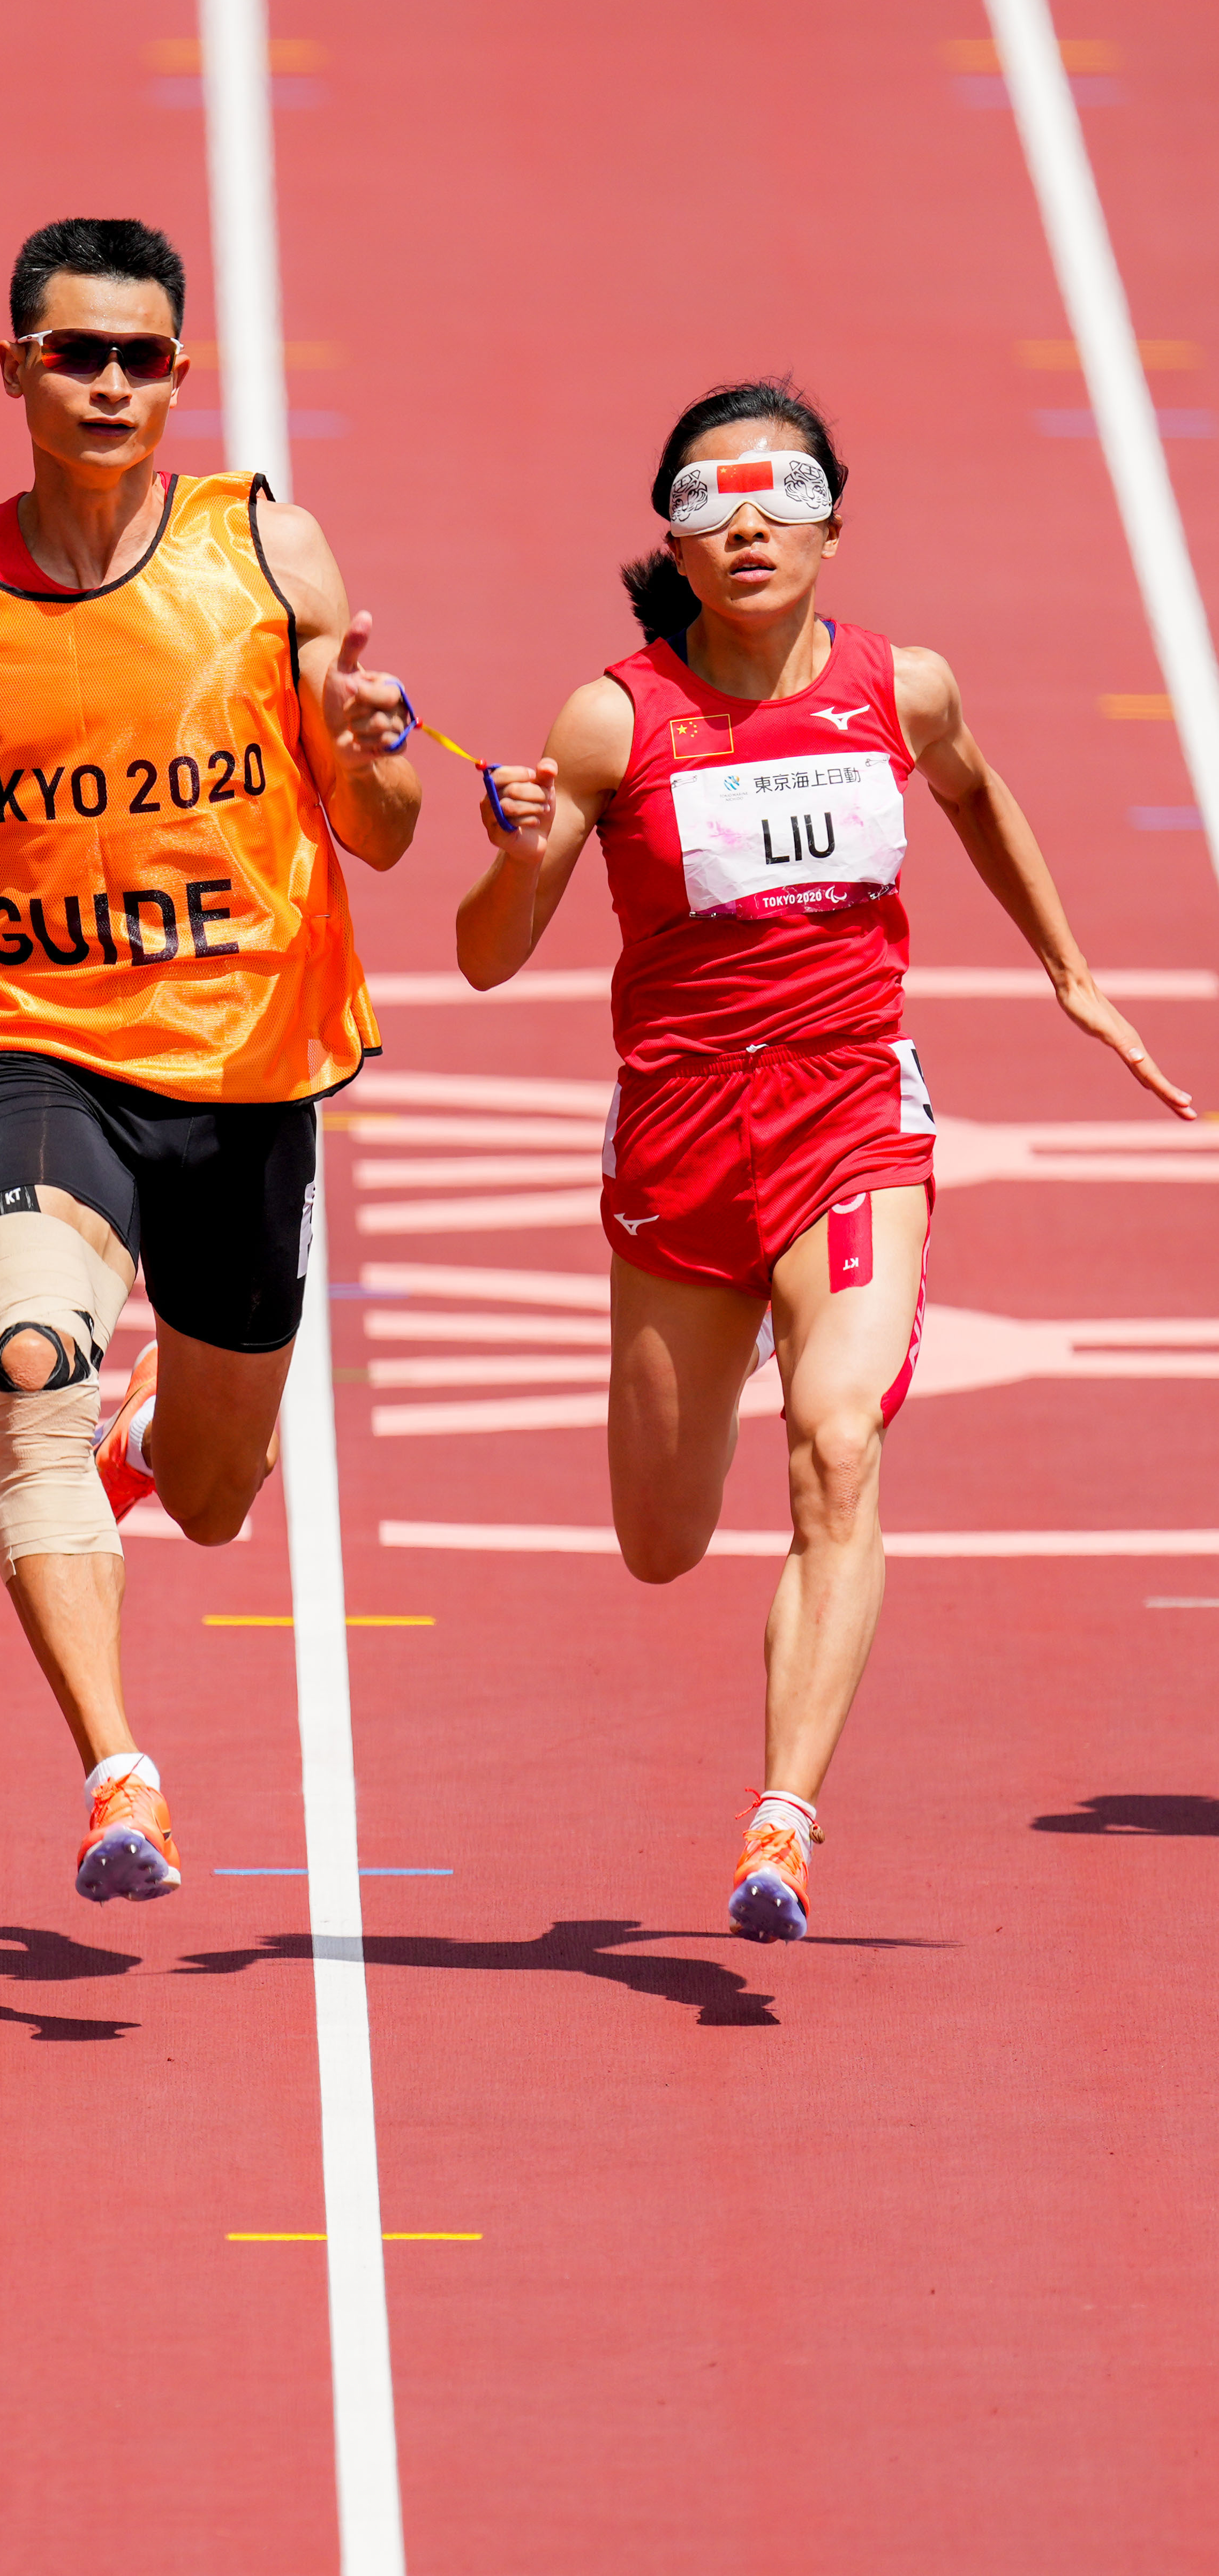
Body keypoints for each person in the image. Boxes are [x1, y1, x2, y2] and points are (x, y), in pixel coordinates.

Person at [455, 380, 1195, 1941]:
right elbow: (483, 961)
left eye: (779, 492)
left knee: (839, 1440)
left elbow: (981, 789)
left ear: (831, 525)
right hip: (680, 1140)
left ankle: (781, 1823)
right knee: (661, 1545)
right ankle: (716, 1362)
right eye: (707, 499)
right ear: (674, 536)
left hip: (857, 1115)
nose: (745, 521)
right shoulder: (614, 720)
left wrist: (1072, 974)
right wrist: (524, 847)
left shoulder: (899, 688)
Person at [0, 216, 418, 1902]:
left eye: (142, 357)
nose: (112, 383)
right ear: (15, 371)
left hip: (250, 1066)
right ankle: (120, 1776)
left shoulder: (267, 557)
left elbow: (388, 834)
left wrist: (373, 754)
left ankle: (155, 1445)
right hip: (37, 1056)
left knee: (212, 1495)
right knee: (34, 1362)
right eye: (78, 353)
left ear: (183, 377)